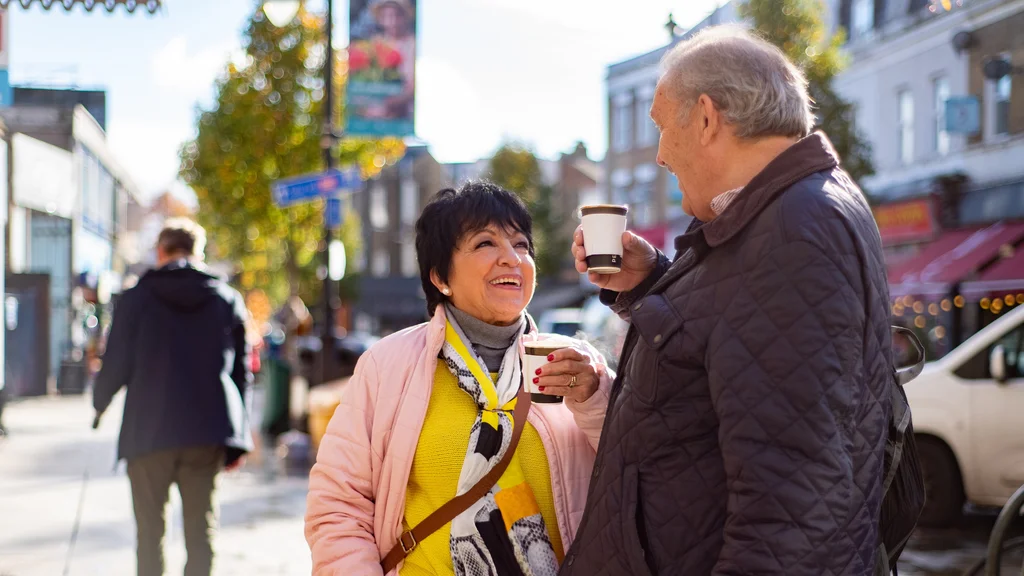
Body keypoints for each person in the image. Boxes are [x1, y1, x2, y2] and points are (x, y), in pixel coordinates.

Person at [562, 25, 895, 575]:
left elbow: (792, 507)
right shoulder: (775, 215)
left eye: (663, 128)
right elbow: (735, 346)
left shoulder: (795, 228)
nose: (661, 155)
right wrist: (651, 283)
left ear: (708, 118)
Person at [306, 182, 611, 575]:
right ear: (440, 277)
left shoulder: (576, 364)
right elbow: (338, 506)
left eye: (520, 245)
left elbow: (642, 466)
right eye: (486, 243)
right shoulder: (388, 366)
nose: (511, 258)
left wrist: (594, 396)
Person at [93, 218, 252, 576]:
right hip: (207, 430)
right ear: (198, 253)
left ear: (161, 252)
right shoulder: (226, 299)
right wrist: (237, 437)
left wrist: (99, 403)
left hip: (148, 431)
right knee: (201, 533)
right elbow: (242, 373)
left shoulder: (135, 298)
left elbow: (116, 360)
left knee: (149, 533)